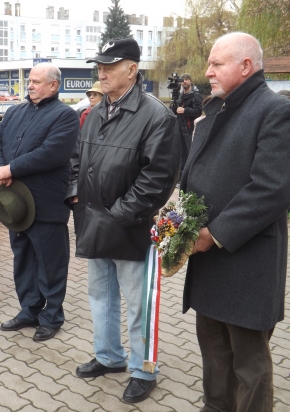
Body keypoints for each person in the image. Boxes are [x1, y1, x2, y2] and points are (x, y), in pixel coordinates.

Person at [181, 32, 290, 411]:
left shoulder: (274, 110)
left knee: (249, 367)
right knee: (214, 358)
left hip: (246, 264)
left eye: (217, 63)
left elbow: (272, 189)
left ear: (246, 66)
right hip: (209, 263)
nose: (207, 71)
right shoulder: (216, 108)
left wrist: (214, 234)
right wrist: (179, 224)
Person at [67, 38, 179, 403]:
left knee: (138, 303)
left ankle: (143, 369)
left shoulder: (156, 116)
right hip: (93, 221)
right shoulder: (97, 111)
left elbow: (157, 180)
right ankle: (108, 356)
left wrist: (118, 215)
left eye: (109, 67)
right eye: (99, 67)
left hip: (129, 227)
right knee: (100, 295)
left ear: (132, 70)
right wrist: (75, 192)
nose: (102, 73)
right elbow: (77, 158)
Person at [0, 63, 80, 342]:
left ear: (54, 85)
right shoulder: (15, 111)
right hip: (16, 203)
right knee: (24, 260)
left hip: (46, 202)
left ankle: (52, 316)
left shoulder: (65, 115)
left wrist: (11, 169)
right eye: (29, 80)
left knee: (51, 263)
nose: (29, 85)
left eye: (36, 81)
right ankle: (29, 310)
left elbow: (51, 153)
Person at [172, 74, 202, 175]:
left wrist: (185, 110)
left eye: (186, 79)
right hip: (180, 127)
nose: (184, 81)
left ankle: (191, 174)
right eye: (183, 80)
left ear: (191, 81)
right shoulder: (180, 95)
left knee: (190, 153)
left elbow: (198, 111)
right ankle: (181, 175)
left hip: (190, 129)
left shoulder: (195, 95)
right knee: (182, 153)